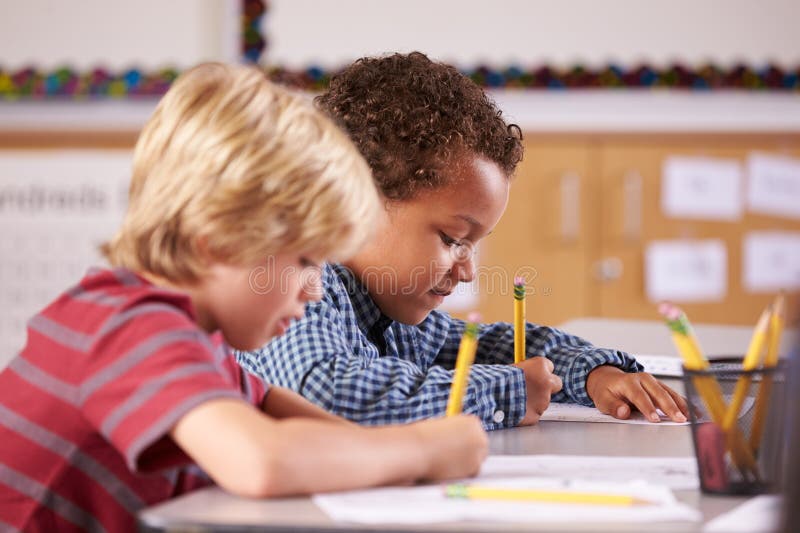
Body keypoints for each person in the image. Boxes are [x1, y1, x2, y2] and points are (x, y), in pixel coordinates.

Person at [0, 62, 487, 531]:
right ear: (218, 239)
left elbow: (269, 403)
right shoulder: (129, 325)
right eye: (304, 261)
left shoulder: (193, 335)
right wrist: (421, 450)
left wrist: (385, 452)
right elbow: (261, 462)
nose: (316, 288)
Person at [238, 52, 689, 430]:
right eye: (454, 239)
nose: (468, 269)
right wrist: (508, 390)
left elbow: (492, 345)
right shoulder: (299, 285)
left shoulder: (395, 313)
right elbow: (325, 392)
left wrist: (589, 372)